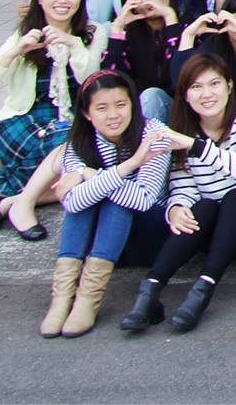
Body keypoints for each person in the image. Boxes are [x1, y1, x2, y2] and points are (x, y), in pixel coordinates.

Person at [131, 52, 236, 332]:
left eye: (214, 84)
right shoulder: (185, 133)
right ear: (185, 95)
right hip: (220, 233)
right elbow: (184, 188)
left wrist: (194, 146)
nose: (207, 94)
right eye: (196, 87)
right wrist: (176, 209)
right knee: (203, 207)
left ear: (229, 86)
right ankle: (150, 290)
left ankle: (203, 289)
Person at [38, 71, 174, 338]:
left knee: (116, 200)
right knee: (93, 198)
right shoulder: (79, 141)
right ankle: (62, 298)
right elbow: (72, 204)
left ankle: (89, 298)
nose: (113, 115)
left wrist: (88, 174)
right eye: (102, 108)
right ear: (87, 114)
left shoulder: (154, 134)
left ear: (133, 105)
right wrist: (122, 169)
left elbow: (143, 199)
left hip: (149, 234)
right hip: (101, 243)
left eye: (121, 104)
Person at [0, 0, 107, 227]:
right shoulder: (25, 34)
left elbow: (91, 81)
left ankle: (14, 202)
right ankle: (24, 207)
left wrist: (73, 43)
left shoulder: (94, 32)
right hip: (23, 123)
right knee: (81, 154)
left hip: (69, 122)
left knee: (90, 164)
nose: (63, 0)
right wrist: (15, 51)